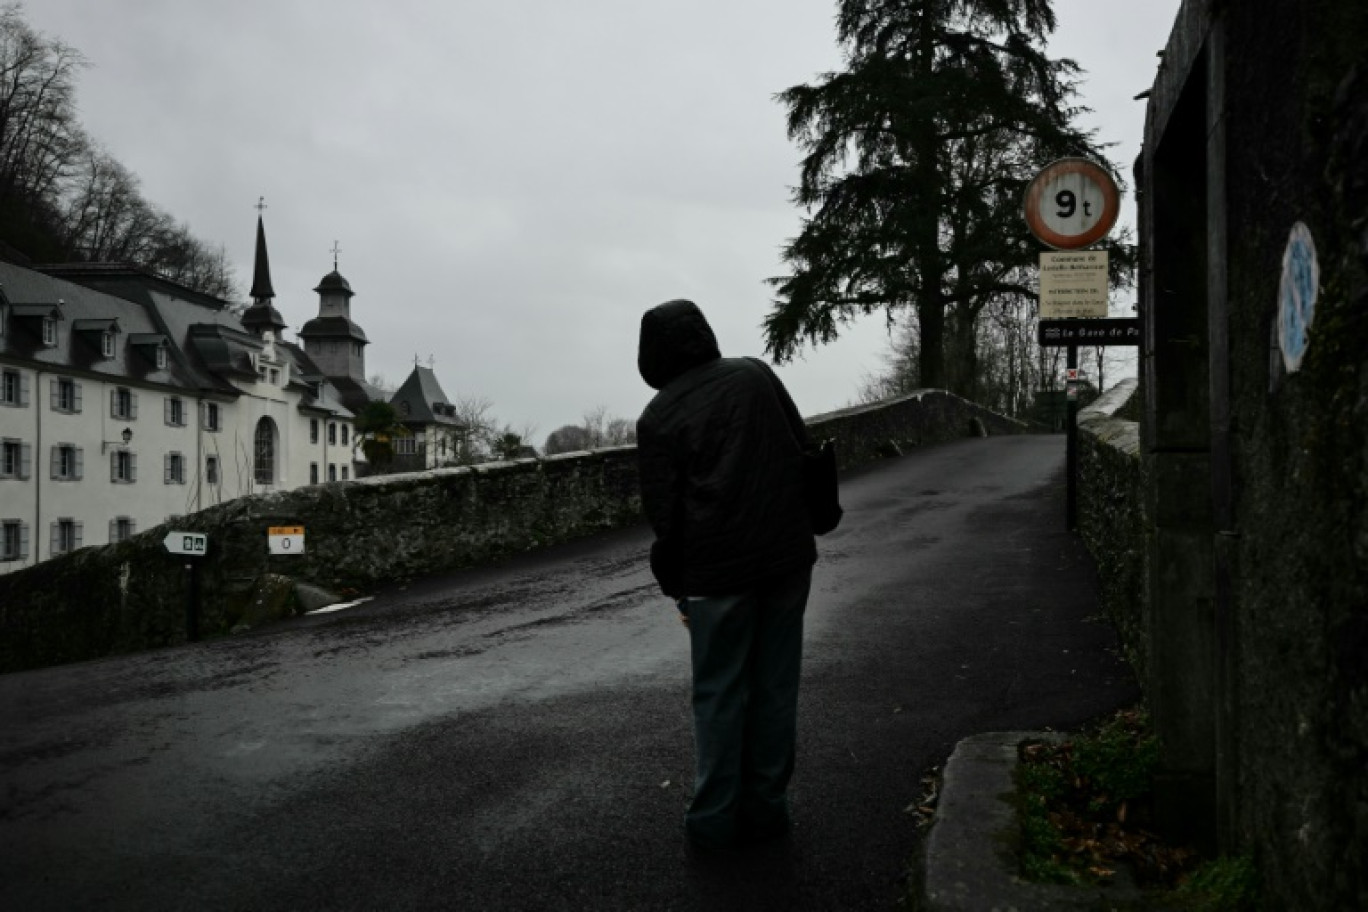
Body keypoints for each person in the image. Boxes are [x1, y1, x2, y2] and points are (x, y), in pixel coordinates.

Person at [635, 299, 817, 852]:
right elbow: (802, 449)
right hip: (786, 558)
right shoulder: (756, 374)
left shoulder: (659, 417)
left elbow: (667, 518)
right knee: (775, 686)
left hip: (717, 575)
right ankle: (767, 808)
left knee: (719, 694)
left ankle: (714, 818)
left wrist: (679, 589)